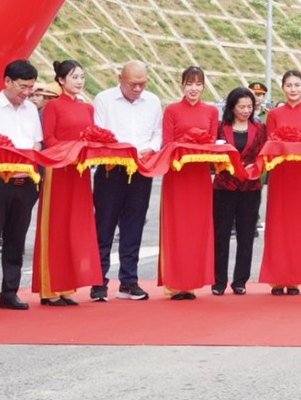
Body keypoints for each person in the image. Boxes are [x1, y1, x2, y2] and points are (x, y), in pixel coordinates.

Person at [90, 61, 162, 301]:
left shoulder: (152, 101)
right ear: (120, 78)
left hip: (141, 168)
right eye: (133, 84)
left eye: (143, 84)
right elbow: (99, 131)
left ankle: (129, 281)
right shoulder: (104, 99)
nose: (138, 89)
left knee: (134, 225)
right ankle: (98, 281)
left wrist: (149, 148)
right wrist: (122, 151)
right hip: (112, 168)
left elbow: (157, 134)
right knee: (104, 225)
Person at [34, 58, 102, 307]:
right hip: (58, 170)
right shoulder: (53, 107)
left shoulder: (87, 108)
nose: (79, 82)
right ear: (61, 80)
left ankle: (67, 287)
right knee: (56, 226)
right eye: (74, 77)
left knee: (76, 226)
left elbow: (92, 136)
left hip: (80, 172)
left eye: (82, 77)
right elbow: (48, 139)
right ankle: (50, 288)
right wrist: (69, 151)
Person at [0, 60, 44, 313]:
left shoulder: (29, 110)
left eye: (31, 88)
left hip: (25, 181)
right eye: (22, 86)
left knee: (16, 239)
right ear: (7, 81)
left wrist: (27, 161)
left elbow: (37, 142)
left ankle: (10, 292)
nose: (27, 93)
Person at [156, 65, 222, 300]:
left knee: (196, 228)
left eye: (198, 84)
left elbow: (213, 143)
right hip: (177, 175)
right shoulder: (172, 110)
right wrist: (186, 146)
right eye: (189, 84)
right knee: (177, 227)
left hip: (199, 177)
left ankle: (192, 282)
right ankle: (175, 283)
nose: (193, 89)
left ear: (204, 86)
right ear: (182, 85)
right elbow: (167, 143)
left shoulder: (211, 112)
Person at [259, 69, 301, 295]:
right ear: (283, 88)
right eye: (289, 85)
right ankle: (277, 278)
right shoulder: (274, 114)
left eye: (297, 85)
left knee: (299, 225)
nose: (293, 89)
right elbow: (270, 144)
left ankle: (294, 278)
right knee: (278, 224)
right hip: (280, 175)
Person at [215, 86, 266, 295]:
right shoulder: (221, 128)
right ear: (232, 107)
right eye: (241, 107)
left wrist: (253, 168)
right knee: (221, 234)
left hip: (250, 186)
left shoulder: (260, 128)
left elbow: (264, 154)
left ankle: (240, 281)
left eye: (249, 107)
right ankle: (218, 281)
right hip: (224, 186)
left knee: (246, 235)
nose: (246, 110)